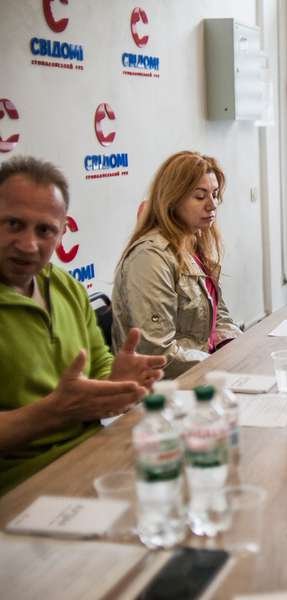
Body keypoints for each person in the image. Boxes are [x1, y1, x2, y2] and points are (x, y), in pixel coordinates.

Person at [0, 156, 165, 495]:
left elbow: (99, 367)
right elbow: (66, 406)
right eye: (13, 224)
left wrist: (117, 383)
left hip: (95, 454)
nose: (29, 245)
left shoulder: (66, 287)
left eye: (45, 230)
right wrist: (55, 413)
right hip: (23, 485)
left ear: (62, 232)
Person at [112, 151, 241, 378]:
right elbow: (157, 351)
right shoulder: (150, 257)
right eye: (200, 197)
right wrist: (219, 365)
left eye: (214, 195)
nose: (212, 205)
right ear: (172, 200)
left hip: (202, 370)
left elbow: (219, 316)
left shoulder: (193, 242)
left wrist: (238, 348)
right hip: (166, 385)